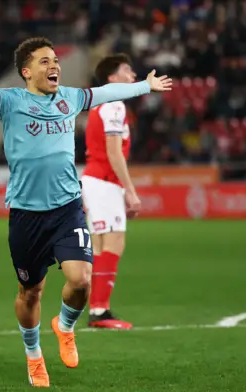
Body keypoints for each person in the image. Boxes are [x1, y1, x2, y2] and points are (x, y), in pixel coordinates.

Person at [0, 37, 172, 387]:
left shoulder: (70, 98)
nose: (54, 65)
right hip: (27, 215)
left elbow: (105, 93)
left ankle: (66, 326)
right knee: (31, 293)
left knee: (81, 279)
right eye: (44, 61)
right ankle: (33, 356)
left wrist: (144, 86)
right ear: (26, 72)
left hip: (67, 209)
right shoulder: (10, 101)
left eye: (55, 59)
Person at [81, 54, 140, 330]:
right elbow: (114, 153)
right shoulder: (115, 106)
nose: (133, 74)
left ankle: (97, 309)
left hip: (95, 181)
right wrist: (130, 190)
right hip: (104, 182)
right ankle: (100, 310)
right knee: (113, 243)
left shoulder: (99, 106)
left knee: (101, 245)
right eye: (127, 70)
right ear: (112, 79)